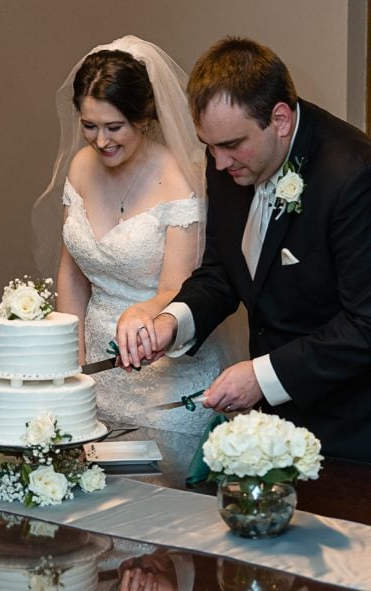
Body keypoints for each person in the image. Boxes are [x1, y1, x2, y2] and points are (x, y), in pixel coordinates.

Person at [153, 36, 371, 462]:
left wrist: (262, 376)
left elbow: (366, 324)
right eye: (208, 145)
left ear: (281, 119)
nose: (217, 163)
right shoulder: (227, 159)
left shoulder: (353, 177)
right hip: (273, 429)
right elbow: (221, 270)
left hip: (352, 435)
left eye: (232, 145)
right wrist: (174, 321)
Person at [32, 36, 246, 435]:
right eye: (89, 126)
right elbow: (73, 276)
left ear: (143, 118)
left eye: (114, 127)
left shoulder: (178, 181)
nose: (101, 141)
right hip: (95, 362)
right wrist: (70, 368)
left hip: (163, 371)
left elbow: (176, 289)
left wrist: (144, 313)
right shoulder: (80, 167)